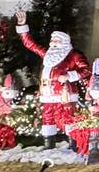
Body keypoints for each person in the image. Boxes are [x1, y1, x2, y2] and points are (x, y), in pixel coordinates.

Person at [14, 9, 91, 144]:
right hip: (47, 93)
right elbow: (30, 44)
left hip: (65, 94)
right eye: (52, 40)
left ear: (65, 42)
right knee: (47, 117)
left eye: (57, 40)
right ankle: (48, 144)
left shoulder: (74, 55)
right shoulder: (47, 54)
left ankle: (73, 142)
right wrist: (22, 26)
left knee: (69, 117)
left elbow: (86, 70)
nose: (54, 42)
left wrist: (69, 75)